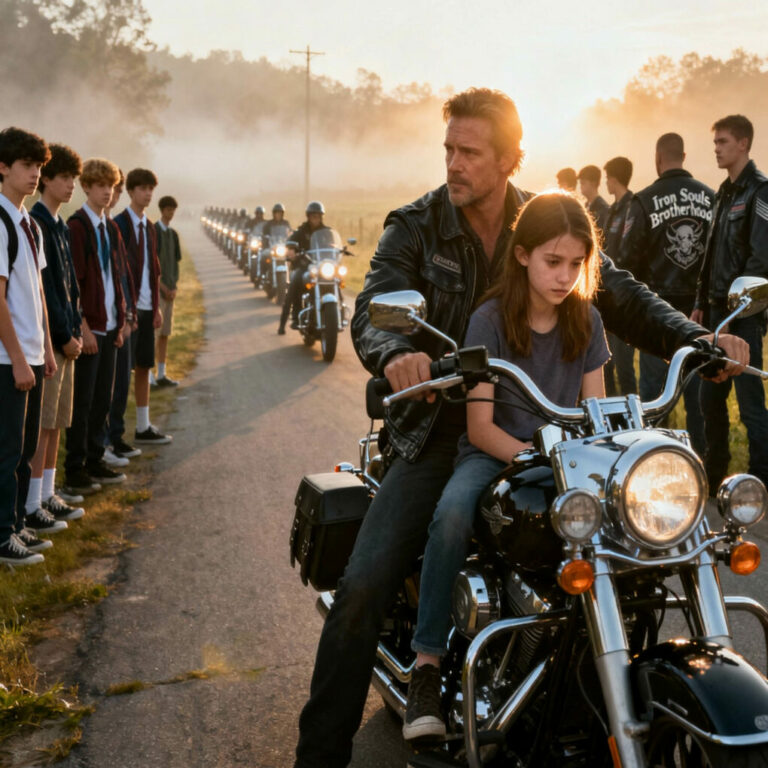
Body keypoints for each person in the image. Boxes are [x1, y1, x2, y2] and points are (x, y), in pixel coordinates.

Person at [293, 87, 747, 768]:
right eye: (449, 148)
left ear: (509, 159)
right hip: (438, 431)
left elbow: (617, 292)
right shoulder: (415, 225)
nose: (453, 163)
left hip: (546, 430)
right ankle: (320, 753)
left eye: (469, 152)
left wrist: (698, 339)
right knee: (363, 586)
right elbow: (372, 306)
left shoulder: (540, 225)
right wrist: (398, 355)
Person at [404, 192, 609, 740]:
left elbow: (595, 413)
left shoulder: (587, 320)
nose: (565, 275)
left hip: (564, 463)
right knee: (451, 513)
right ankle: (425, 664)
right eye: (552, 261)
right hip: (496, 457)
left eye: (575, 263)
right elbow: (480, 428)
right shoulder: (489, 321)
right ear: (522, 255)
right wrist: (534, 457)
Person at [622, 133, 715, 457]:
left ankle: (653, 463)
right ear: (684, 156)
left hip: (657, 313)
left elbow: (626, 261)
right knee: (697, 396)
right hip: (699, 313)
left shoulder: (644, 200)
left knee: (653, 395)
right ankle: (701, 464)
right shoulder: (711, 198)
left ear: (657, 158)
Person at [693, 115, 768, 490]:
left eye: (723, 142)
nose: (717, 149)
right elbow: (709, 254)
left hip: (745, 314)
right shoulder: (722, 192)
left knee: (751, 403)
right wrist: (699, 302)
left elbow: (761, 258)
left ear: (743, 144)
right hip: (715, 312)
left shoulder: (761, 191)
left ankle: (761, 478)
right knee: (710, 398)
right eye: (715, 142)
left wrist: (744, 306)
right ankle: (714, 472)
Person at [0, 127, 57, 565]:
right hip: (8, 359)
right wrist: (19, 359)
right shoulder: (0, 221)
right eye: (26, 165)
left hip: (35, 355)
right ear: (2, 167)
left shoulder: (30, 224)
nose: (35, 173)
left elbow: (36, 291)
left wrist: (47, 351)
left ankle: (17, 524)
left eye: (39, 166)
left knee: (25, 450)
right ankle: (2, 537)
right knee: (6, 450)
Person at [25, 144, 87, 527]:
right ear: (46, 178)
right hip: (51, 341)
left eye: (72, 179)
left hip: (67, 338)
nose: (69, 186)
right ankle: (32, 503)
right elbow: (46, 289)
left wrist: (76, 327)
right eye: (63, 177)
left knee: (57, 421)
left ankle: (48, 494)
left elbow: (70, 287)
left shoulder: (59, 225)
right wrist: (64, 336)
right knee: (42, 424)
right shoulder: (39, 223)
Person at [65, 158, 126, 493]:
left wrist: (120, 321)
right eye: (100, 186)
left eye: (111, 186)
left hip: (110, 324)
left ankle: (95, 459)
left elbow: (115, 276)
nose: (107, 192)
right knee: (83, 403)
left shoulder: (110, 227)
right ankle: (74, 470)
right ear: (86, 186)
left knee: (103, 398)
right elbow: (73, 282)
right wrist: (84, 327)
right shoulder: (77, 227)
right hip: (90, 327)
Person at [113, 168, 172, 445]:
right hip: (128, 311)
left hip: (149, 307)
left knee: (144, 366)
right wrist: (126, 310)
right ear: (131, 191)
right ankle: (113, 434)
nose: (148, 194)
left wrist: (157, 307)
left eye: (151, 188)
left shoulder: (149, 226)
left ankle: (143, 425)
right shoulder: (119, 225)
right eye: (142, 188)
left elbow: (154, 267)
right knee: (121, 375)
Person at [103, 169, 140, 466]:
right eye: (108, 188)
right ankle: (103, 444)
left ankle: (115, 437)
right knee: (106, 389)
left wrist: (129, 314)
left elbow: (122, 276)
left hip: (122, 318)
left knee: (120, 385)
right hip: (104, 323)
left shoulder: (111, 227)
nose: (113, 194)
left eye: (116, 189)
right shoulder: (111, 224)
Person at [601, 156, 637, 395]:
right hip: (607, 297)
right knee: (606, 362)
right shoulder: (613, 210)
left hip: (624, 299)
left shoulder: (633, 208)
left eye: (607, 179)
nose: (606, 184)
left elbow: (630, 254)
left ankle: (630, 418)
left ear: (614, 180)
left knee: (624, 365)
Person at [278, 201, 326, 335]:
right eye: (313, 216)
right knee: (295, 282)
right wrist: (292, 249)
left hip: (321, 266)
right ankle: (288, 320)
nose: (315, 219)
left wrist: (338, 249)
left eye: (318, 216)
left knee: (336, 278)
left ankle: (336, 309)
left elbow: (332, 243)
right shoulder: (302, 230)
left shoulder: (325, 231)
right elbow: (291, 241)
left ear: (321, 217)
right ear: (308, 217)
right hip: (305, 265)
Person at [152, 195, 182, 388]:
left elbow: (176, 263)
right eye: (168, 209)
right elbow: (152, 264)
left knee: (165, 334)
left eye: (173, 210)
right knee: (153, 336)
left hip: (170, 290)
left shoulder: (173, 234)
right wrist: (162, 287)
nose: (170, 213)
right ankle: (148, 375)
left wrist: (174, 286)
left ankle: (161, 373)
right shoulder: (154, 231)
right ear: (162, 210)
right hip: (157, 291)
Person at [578, 164, 610, 231]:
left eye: (583, 183)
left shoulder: (604, 209)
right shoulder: (583, 207)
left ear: (594, 183)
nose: (580, 186)